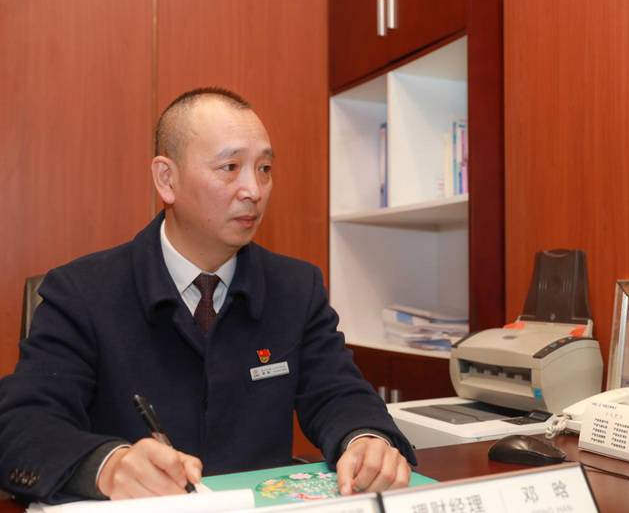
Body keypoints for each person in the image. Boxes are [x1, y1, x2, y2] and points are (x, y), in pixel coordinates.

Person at [0, 88, 416, 504]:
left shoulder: (296, 287)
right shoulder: (81, 291)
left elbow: (339, 393)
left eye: (265, 168)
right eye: (230, 167)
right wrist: (107, 466)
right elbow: (22, 424)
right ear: (167, 179)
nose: (254, 190)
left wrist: (366, 439)